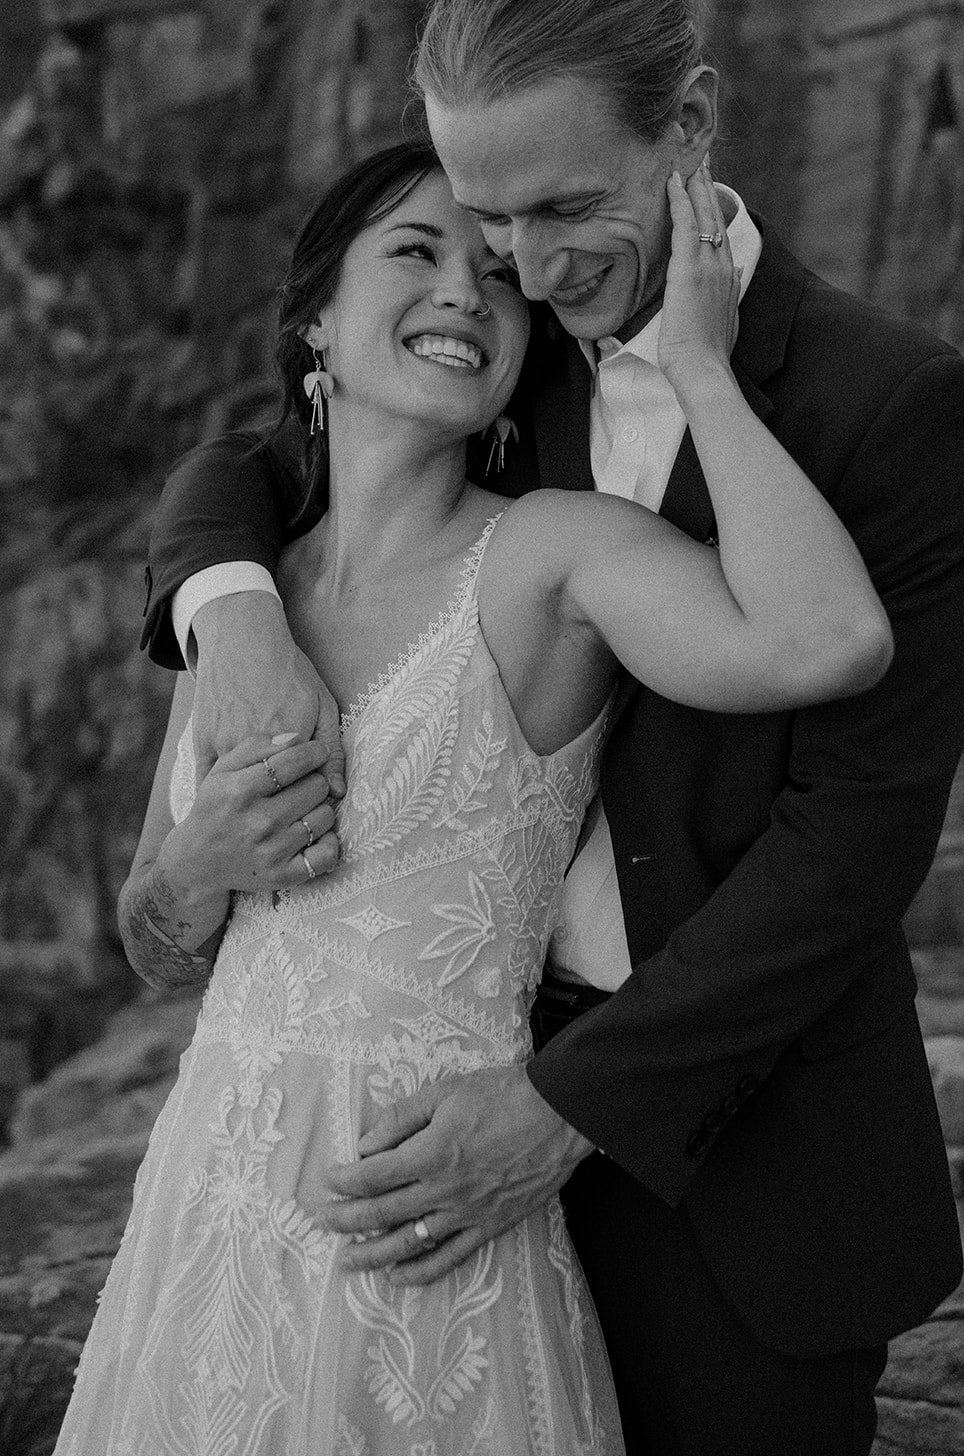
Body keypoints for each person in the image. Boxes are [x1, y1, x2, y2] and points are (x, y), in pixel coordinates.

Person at [138, 0, 964, 1456]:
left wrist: (567, 1107)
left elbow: (854, 841)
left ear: (692, 122)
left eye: (566, 208)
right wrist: (231, 610)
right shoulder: (493, 345)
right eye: (484, 220)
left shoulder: (896, 405)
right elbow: (253, 462)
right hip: (411, 1135)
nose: (528, 269)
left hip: (738, 1159)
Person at [59, 141, 890, 1455]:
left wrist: (701, 372)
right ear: (319, 316)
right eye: (416, 252)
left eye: (500, 276)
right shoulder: (241, 597)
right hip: (204, 1232)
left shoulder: (553, 556)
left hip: (426, 1236)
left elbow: (825, 642)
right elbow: (157, 944)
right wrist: (199, 862)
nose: (468, 290)